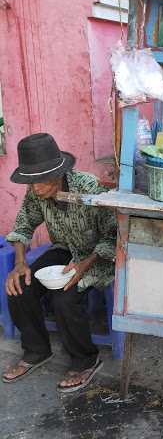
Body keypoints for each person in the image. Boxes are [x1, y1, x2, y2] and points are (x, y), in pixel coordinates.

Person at [2, 133, 117, 392]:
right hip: (64, 250)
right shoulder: (37, 191)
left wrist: (86, 263)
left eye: (39, 181)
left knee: (63, 298)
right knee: (19, 285)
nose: (34, 188)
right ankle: (36, 351)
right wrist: (20, 262)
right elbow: (22, 226)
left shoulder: (87, 187)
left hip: (97, 254)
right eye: (30, 182)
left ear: (57, 175)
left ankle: (86, 359)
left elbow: (114, 236)